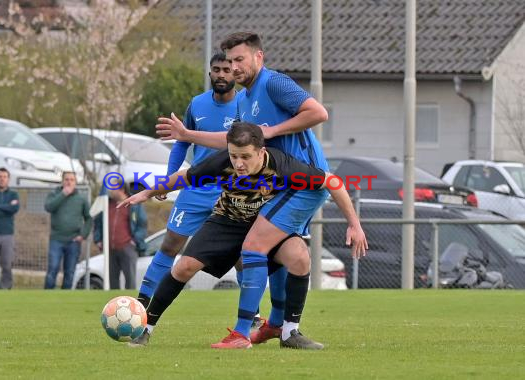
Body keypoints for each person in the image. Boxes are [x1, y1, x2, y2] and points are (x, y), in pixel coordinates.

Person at [156, 32, 334, 348]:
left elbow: (318, 113)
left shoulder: (274, 83)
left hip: (301, 185)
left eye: (240, 60)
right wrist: (187, 134)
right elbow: (233, 141)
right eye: (230, 61)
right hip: (278, 186)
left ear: (258, 57)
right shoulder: (244, 98)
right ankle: (280, 327)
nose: (235, 67)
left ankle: (246, 332)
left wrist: (272, 131)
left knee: (256, 246)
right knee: (285, 255)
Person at [121, 122, 367, 349]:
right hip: (226, 222)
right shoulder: (222, 162)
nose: (238, 163)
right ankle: (146, 328)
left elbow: (332, 182)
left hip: (265, 227)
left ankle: (290, 333)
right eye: (234, 156)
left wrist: (354, 224)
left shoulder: (282, 165)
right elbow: (185, 177)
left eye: (246, 157)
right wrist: (148, 193)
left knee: (300, 257)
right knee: (184, 266)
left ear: (261, 152)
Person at [135, 52, 240, 307]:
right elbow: (182, 142)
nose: (221, 74)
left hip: (231, 191)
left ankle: (254, 315)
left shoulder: (244, 106)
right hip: (195, 187)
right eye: (217, 69)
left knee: (241, 254)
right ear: (210, 73)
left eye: (227, 70)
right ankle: (141, 303)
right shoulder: (197, 104)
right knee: (170, 244)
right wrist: (169, 178)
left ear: (234, 74)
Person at [93, 182, 148, 289]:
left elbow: (142, 225)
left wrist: (133, 241)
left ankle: (130, 303)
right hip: (110, 249)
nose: (110, 191)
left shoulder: (134, 204)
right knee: (112, 280)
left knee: (130, 279)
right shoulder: (107, 204)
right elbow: (98, 223)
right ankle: (114, 303)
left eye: (113, 188)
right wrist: (98, 239)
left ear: (122, 190)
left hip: (128, 248)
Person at [44, 171, 92, 289]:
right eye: (66, 179)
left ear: (75, 182)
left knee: (70, 272)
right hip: (57, 239)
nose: (69, 182)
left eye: (72, 180)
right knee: (52, 269)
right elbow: (49, 207)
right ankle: (46, 297)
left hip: (74, 241)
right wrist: (63, 194)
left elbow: (89, 218)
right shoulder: (54, 194)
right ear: (62, 181)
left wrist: (83, 235)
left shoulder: (81, 198)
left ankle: (65, 297)